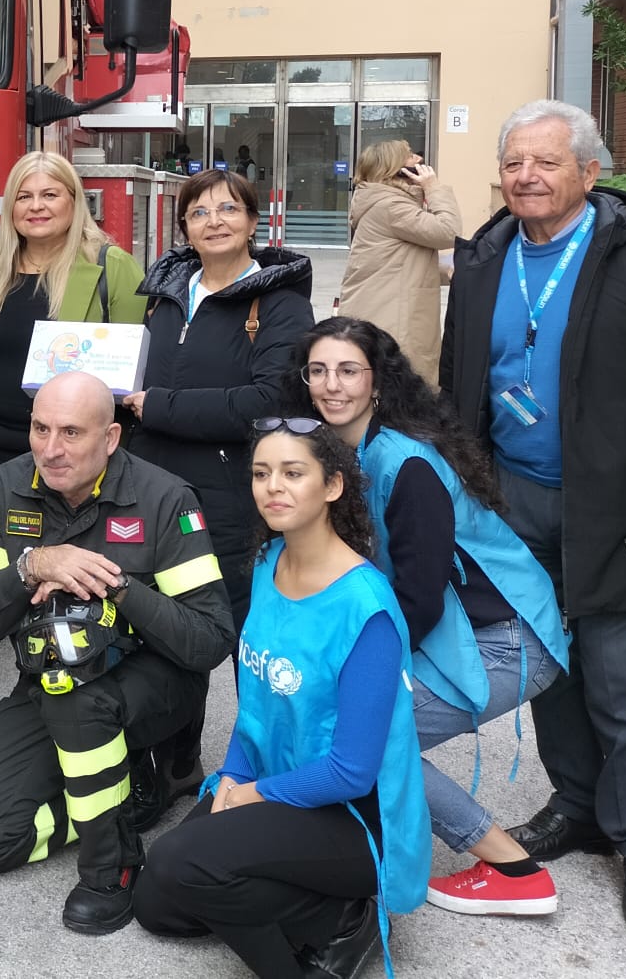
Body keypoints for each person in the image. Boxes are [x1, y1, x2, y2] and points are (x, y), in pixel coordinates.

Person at [439, 99, 626, 938]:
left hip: (615, 511)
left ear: (589, 172)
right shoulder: (485, 257)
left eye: (546, 162)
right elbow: (459, 383)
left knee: (617, 682)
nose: (527, 177)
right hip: (508, 507)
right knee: (545, 665)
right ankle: (577, 806)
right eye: (514, 163)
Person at [133, 419, 430, 979]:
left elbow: (351, 773)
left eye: (294, 474)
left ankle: (338, 922)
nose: (274, 487)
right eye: (262, 474)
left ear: (333, 486)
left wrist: (249, 798)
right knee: (157, 902)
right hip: (277, 787)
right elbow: (257, 712)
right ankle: (324, 914)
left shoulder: (365, 608)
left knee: (181, 865)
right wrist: (228, 780)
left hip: (351, 820)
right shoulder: (269, 565)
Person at [297, 315, 569, 917]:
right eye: (317, 371)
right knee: (333, 721)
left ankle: (514, 871)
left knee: (360, 737)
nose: (330, 385)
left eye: (348, 371)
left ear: (377, 382)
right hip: (461, 632)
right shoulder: (348, 449)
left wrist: (368, 676)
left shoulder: (405, 462)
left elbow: (417, 596)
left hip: (510, 642)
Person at [0, 373, 233, 936]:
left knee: (80, 702)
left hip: (156, 679)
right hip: (48, 678)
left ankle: (114, 867)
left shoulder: (164, 498)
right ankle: (125, 786)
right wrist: (29, 567)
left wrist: (121, 587)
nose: (50, 449)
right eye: (40, 428)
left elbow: (209, 641)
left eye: (72, 433)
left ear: (111, 439)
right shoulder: (7, 488)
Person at [123, 169, 313, 818]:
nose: (214, 220)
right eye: (199, 211)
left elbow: (270, 401)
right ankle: (174, 763)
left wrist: (157, 406)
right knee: (167, 634)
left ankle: (257, 783)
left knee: (239, 642)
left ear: (254, 220)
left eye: (228, 208)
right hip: (153, 493)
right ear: (183, 227)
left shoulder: (279, 302)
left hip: (232, 498)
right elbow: (135, 379)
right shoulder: (166, 296)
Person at [0, 152, 146, 479]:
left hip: (73, 460)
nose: (36, 206)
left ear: (74, 201)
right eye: (24, 197)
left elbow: (138, 372)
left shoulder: (113, 266)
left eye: (50, 194)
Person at [333, 140, 460, 384]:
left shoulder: (387, 203)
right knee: (400, 393)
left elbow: (402, 261)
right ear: (395, 169)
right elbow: (448, 231)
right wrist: (434, 188)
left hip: (387, 309)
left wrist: (451, 270)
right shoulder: (391, 206)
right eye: (410, 156)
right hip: (392, 319)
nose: (419, 160)